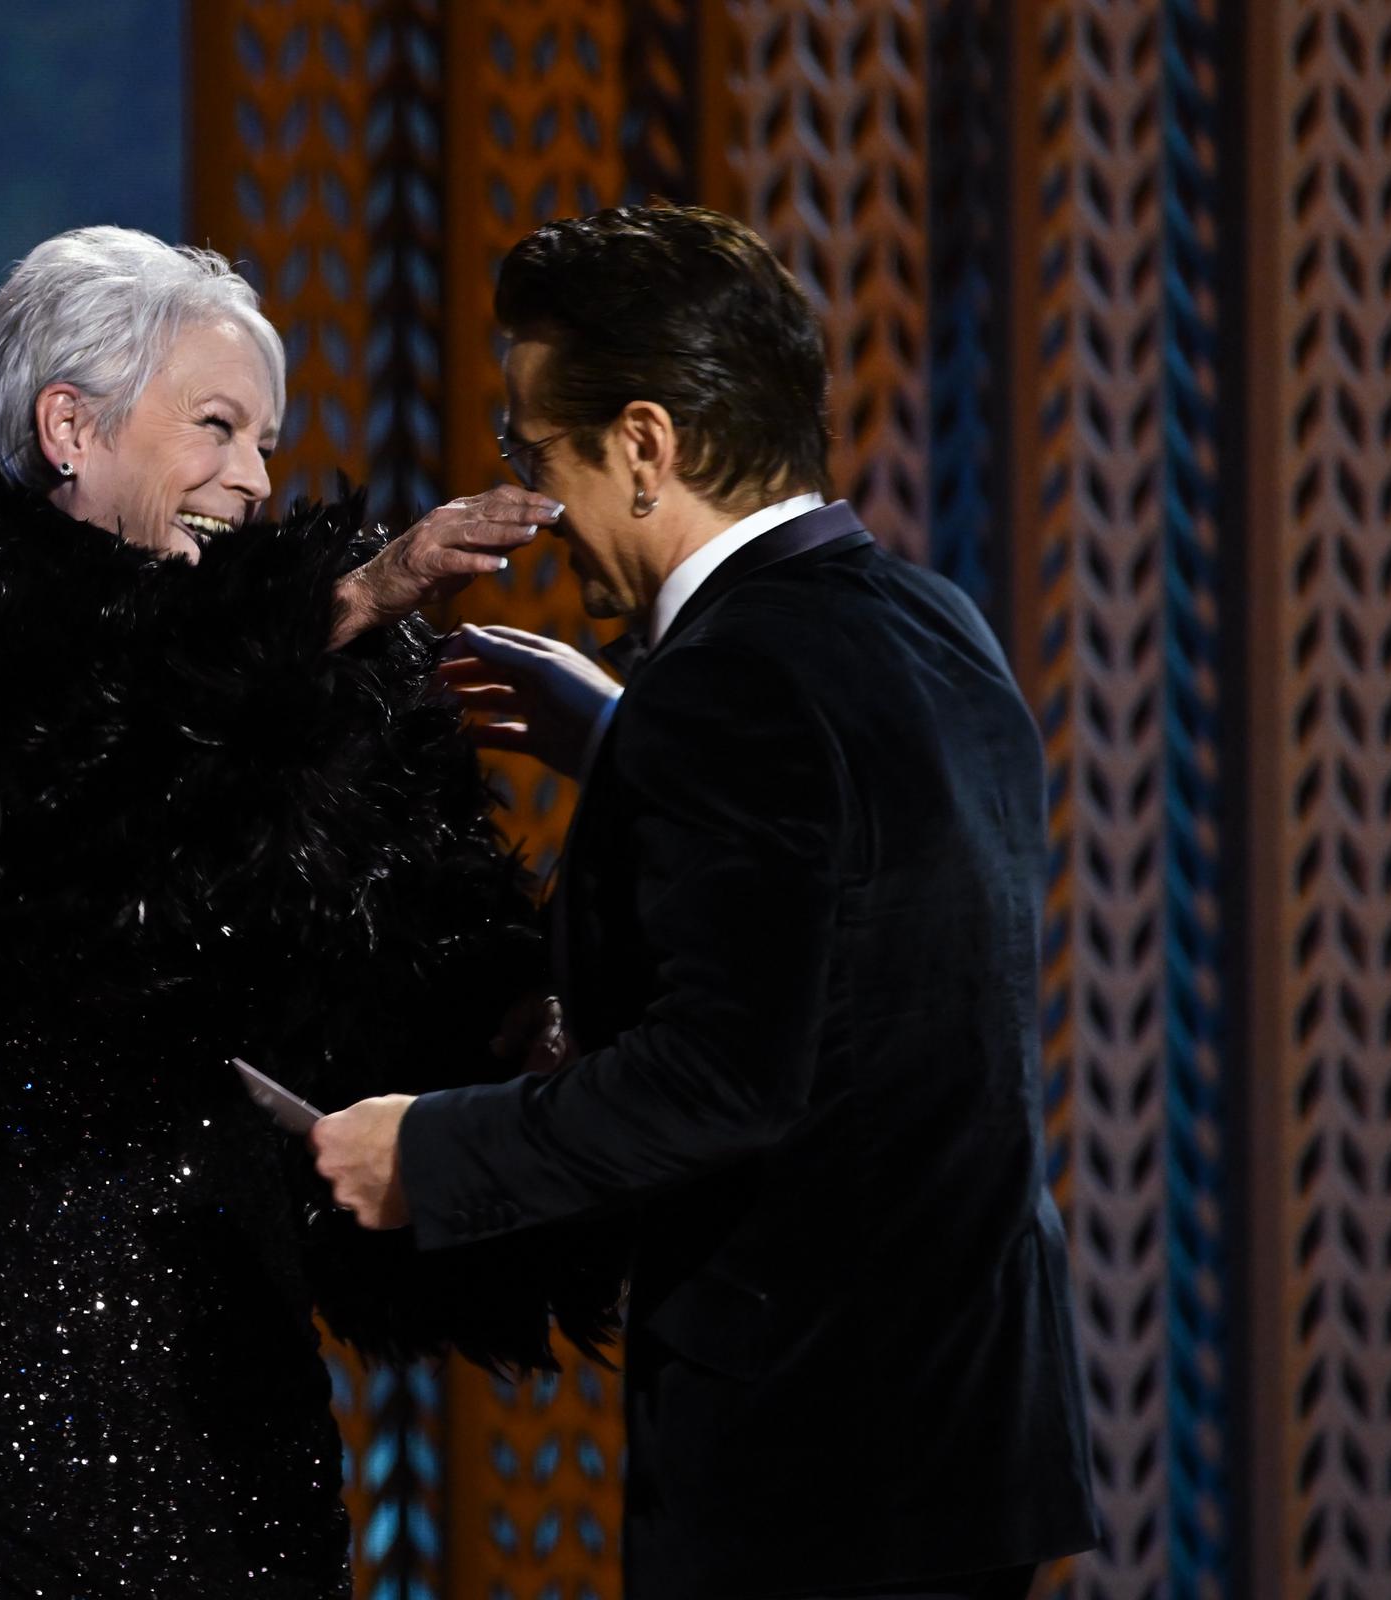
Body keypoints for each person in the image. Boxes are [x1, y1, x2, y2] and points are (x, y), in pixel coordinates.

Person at [0, 226, 615, 1598]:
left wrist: (522, 1032)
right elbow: (26, 879)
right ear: (71, 424)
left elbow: (405, 979)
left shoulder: (335, 694)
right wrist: (331, 612)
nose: (254, 478)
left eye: (271, 442)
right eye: (218, 427)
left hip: (227, 1365)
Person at [310, 203, 1099, 1600]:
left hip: (814, 1471)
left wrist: (422, 1155)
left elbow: (725, 1077)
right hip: (970, 1441)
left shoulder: (727, 686)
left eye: (534, 452)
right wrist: (621, 741)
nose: (535, 502)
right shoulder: (927, 622)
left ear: (644, 446)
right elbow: (859, 927)